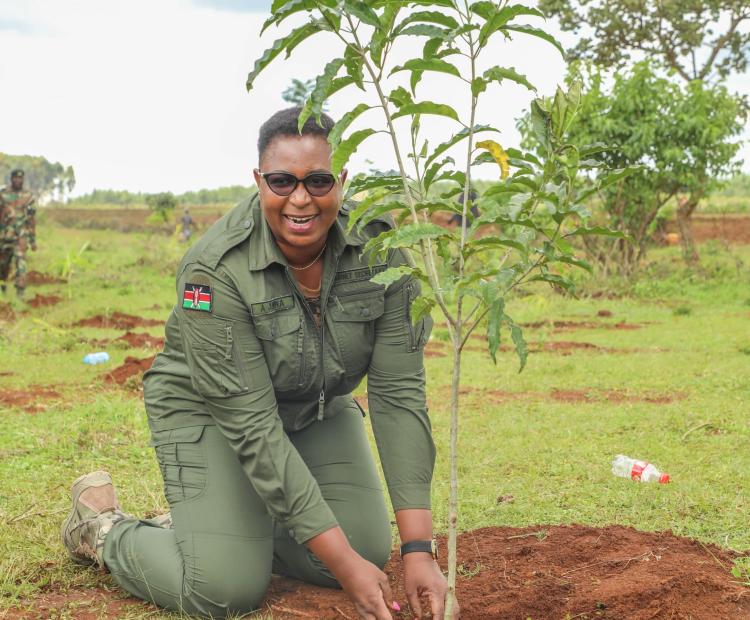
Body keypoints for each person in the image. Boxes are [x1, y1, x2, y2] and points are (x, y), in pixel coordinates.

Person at [61, 107, 456, 620]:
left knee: (362, 546)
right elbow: (250, 425)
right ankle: (104, 528)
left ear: (342, 180)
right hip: (211, 412)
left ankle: (222, 522)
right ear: (258, 181)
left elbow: (398, 397)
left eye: (318, 181)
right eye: (281, 181)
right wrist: (345, 567)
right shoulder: (214, 269)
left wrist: (419, 551)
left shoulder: (382, 250)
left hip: (314, 408)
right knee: (225, 588)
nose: (300, 199)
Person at [0, 169, 37, 299]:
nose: (18, 180)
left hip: (21, 236)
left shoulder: (28, 197)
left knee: (21, 263)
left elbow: (31, 218)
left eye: (20, 178)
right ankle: (2, 287)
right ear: (11, 179)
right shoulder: (3, 194)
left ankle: (20, 293)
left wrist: (33, 240)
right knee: (3, 265)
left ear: (23, 180)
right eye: (15, 178)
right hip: (4, 236)